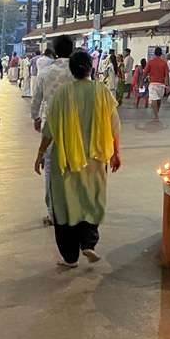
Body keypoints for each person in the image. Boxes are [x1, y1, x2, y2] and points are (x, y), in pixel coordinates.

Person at [34, 49, 122, 268]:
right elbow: (115, 125)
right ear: (90, 68)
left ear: (71, 71)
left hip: (66, 160)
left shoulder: (62, 94)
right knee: (91, 201)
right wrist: (116, 153)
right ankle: (88, 243)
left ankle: (70, 257)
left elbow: (49, 129)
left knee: (65, 206)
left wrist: (40, 154)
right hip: (96, 158)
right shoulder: (102, 91)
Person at [31, 35, 75, 226]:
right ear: (72, 50)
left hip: (51, 124)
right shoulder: (79, 72)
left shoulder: (45, 73)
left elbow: (36, 100)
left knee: (50, 167)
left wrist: (36, 118)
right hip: (75, 125)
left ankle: (53, 213)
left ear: (54, 51)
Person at [146, 46, 170, 122]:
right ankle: (157, 114)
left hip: (153, 83)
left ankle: (156, 115)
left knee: (154, 99)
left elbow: (144, 73)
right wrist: (167, 85)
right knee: (158, 99)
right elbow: (166, 75)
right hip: (161, 84)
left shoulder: (150, 62)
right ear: (161, 54)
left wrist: (140, 83)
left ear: (154, 53)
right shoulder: (164, 63)